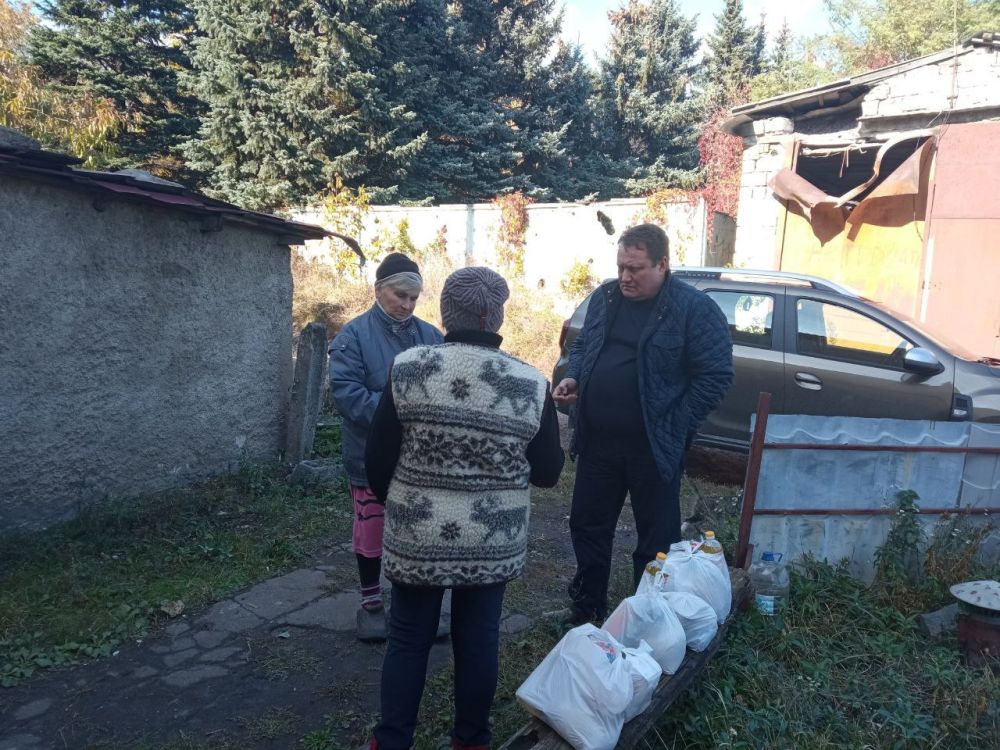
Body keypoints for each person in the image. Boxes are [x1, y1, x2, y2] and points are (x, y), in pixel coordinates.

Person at [365, 267, 564, 750]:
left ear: (444, 313)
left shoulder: (407, 367)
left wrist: (404, 502)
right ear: (498, 316)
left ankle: (391, 741)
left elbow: (377, 460)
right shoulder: (531, 383)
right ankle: (472, 739)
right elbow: (547, 472)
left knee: (408, 639)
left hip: (418, 537)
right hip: (490, 543)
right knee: (478, 639)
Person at [552, 223, 733, 624]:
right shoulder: (606, 298)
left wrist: (677, 422)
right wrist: (574, 376)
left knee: (656, 537)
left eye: (635, 269)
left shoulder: (693, 309)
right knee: (588, 525)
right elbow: (584, 346)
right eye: (621, 267)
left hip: (653, 446)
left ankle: (648, 616)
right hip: (598, 441)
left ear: (662, 264)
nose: (625, 277)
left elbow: (716, 375)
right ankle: (586, 608)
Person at [328, 252, 443, 641]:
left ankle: (415, 605)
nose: (407, 305)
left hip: (420, 457)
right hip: (370, 455)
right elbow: (347, 394)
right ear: (379, 290)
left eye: (414, 298)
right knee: (372, 529)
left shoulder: (432, 337)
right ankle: (372, 604)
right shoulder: (352, 337)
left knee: (419, 527)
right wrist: (400, 412)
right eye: (400, 296)